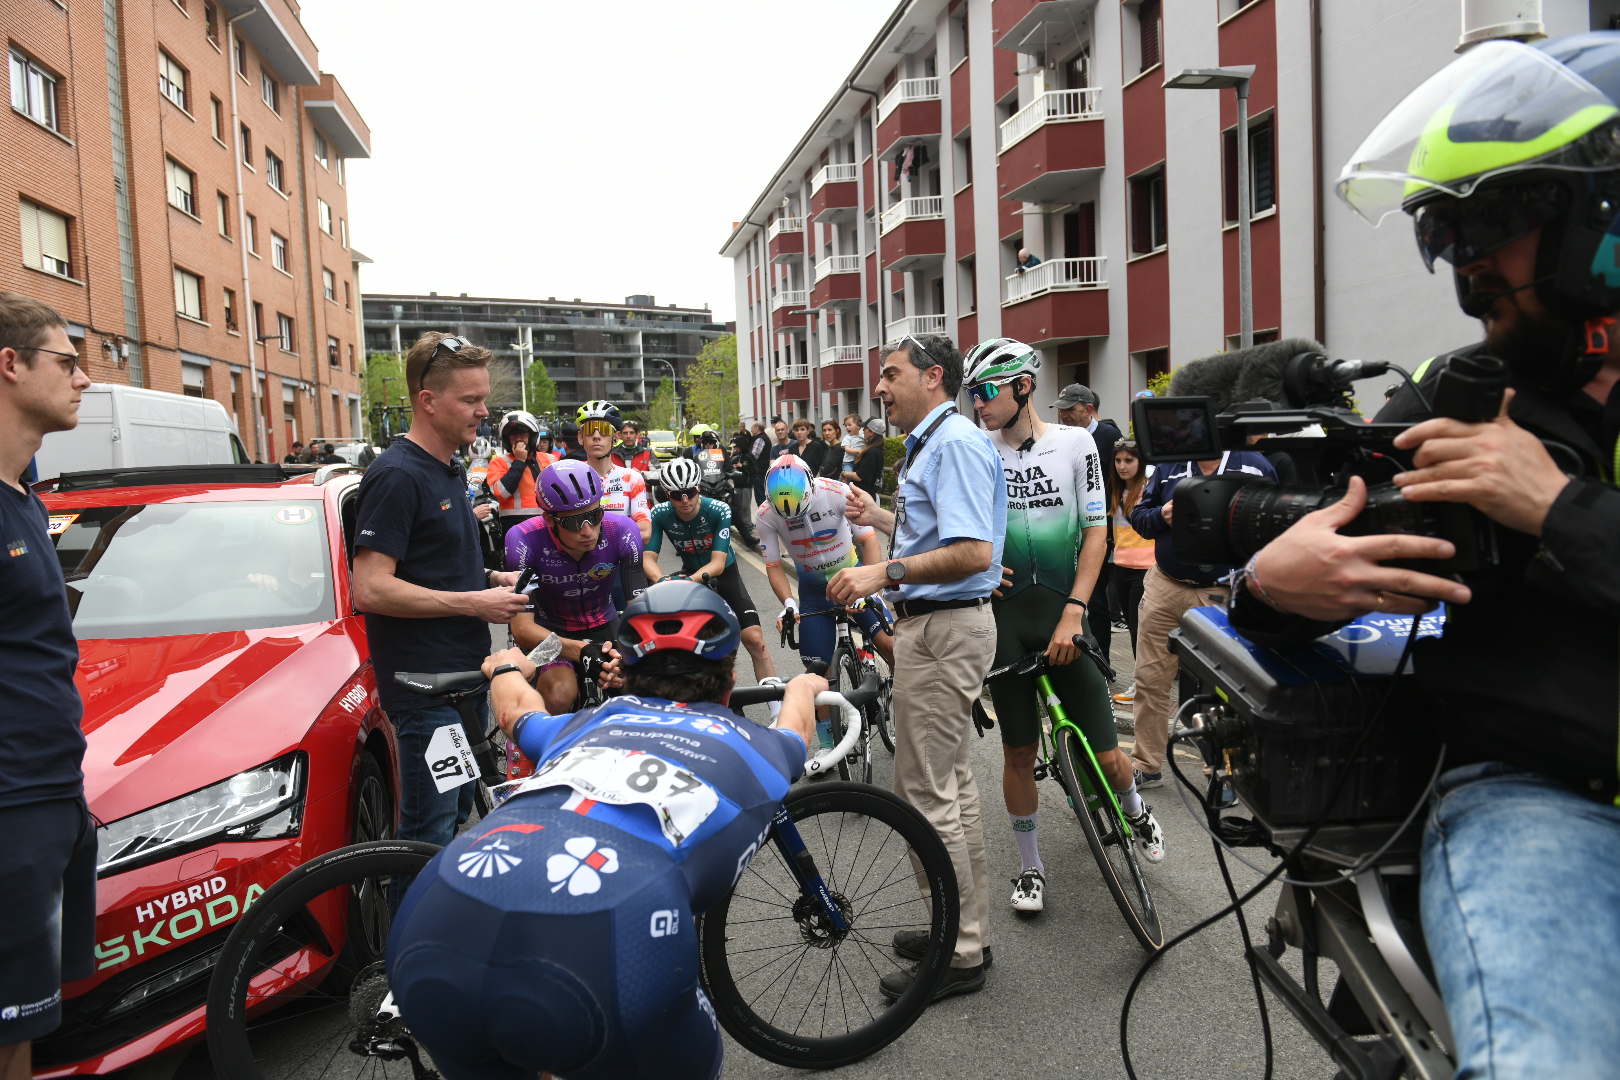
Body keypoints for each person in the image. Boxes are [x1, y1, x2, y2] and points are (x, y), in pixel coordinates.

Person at [1230, 36, 1620, 1078]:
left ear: (1603, 214)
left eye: (1489, 222)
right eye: (1440, 231)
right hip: (1545, 801)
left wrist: (1560, 509)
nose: (1464, 264)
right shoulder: (1462, 389)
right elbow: (1321, 528)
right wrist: (1274, 585)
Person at [386, 580, 828, 1080]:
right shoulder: (754, 746)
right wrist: (802, 686)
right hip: (606, 934)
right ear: (728, 684)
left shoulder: (586, 722)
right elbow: (797, 730)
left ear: (627, 675)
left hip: (439, 909)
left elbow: (514, 710)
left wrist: (507, 665)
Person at [827, 333, 1004, 1000]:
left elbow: (971, 552)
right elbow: (942, 533)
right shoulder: (942, 440)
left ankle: (956, 954)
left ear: (933, 378)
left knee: (929, 794)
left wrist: (882, 569)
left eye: (891, 374)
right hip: (942, 625)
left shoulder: (952, 442)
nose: (879, 388)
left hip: (942, 627)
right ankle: (963, 931)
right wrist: (878, 516)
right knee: (948, 789)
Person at [964, 338, 1162, 915]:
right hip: (1004, 619)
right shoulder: (977, 449)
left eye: (986, 392)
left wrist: (1075, 609)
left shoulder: (1076, 444)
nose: (978, 404)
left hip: (1062, 610)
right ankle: (1029, 868)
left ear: (1023, 386)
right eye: (972, 394)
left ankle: (1132, 807)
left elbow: (1097, 531)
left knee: (1104, 754)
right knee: (1018, 751)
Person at [350, 334, 530, 853]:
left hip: (461, 681)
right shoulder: (397, 475)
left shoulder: (448, 467)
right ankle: (407, 935)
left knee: (451, 816)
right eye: (470, 400)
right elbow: (371, 587)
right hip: (425, 691)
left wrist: (493, 582)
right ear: (427, 401)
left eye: (483, 397)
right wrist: (477, 603)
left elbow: (433, 568)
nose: (483, 410)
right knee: (427, 832)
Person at [0, 294, 95, 1076]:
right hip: (10, 800)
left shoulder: (26, 495)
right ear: (11, 366)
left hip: (52, 787)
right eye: (67, 362)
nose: (84, 379)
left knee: (28, 1029)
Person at [1127, 431, 1275, 795]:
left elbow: (1274, 529)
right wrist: (1161, 513)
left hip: (1221, 593)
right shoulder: (1169, 466)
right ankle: (1146, 764)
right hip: (1165, 585)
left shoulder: (1254, 467)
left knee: (1224, 689)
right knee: (1150, 679)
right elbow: (1140, 517)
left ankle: (1223, 770)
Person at [756, 455, 895, 747]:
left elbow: (870, 540)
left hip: (853, 577)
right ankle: (828, 744)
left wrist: (870, 588)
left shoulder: (837, 492)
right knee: (818, 669)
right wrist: (789, 603)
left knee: (890, 644)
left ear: (810, 488)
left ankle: (909, 712)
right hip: (813, 590)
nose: (792, 520)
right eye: (787, 518)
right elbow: (773, 565)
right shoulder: (766, 514)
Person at [506, 460, 647, 715]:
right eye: (573, 523)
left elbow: (640, 610)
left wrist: (624, 659)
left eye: (594, 516)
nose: (588, 531)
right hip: (549, 630)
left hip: (604, 623)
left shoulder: (623, 531)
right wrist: (582, 650)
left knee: (635, 689)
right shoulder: (524, 540)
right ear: (549, 519)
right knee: (560, 696)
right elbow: (521, 628)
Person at [643, 456, 777, 687]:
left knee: (755, 640)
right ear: (666, 493)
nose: (684, 500)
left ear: (698, 488)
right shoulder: (660, 514)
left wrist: (686, 582)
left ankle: (777, 711)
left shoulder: (719, 509)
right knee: (698, 644)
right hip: (691, 576)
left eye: (689, 492)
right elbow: (649, 558)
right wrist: (662, 580)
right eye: (676, 494)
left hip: (723, 574)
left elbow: (717, 563)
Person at [1050, 382, 1123, 668]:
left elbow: (1118, 482)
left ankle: (1099, 658)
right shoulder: (1062, 437)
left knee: (1098, 598)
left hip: (1099, 528)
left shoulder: (1109, 436)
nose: (1064, 415)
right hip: (1067, 527)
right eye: (1061, 410)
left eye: (1070, 410)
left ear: (1088, 409)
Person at [1107, 440, 1154, 704]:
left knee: (1139, 630)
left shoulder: (1149, 491)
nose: (1122, 466)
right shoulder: (1117, 491)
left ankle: (1142, 686)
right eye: (1118, 460)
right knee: (1134, 629)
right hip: (1121, 567)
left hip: (1146, 569)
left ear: (1141, 463)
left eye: (1129, 461)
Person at [577, 401, 651, 545]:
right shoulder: (569, 478)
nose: (596, 436)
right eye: (589, 429)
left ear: (615, 438)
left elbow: (645, 533)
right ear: (581, 438)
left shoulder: (632, 479)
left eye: (604, 429)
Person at [485, 410, 551, 514]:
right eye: (513, 437)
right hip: (515, 523)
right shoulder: (499, 462)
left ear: (532, 437)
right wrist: (519, 461)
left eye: (523, 435)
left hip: (547, 520)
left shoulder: (550, 459)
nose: (518, 440)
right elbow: (501, 493)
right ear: (508, 440)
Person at [844, 417, 887, 497]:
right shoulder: (878, 450)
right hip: (867, 495)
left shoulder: (872, 452)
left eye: (865, 428)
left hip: (864, 497)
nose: (863, 430)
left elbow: (859, 476)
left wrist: (844, 473)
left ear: (871, 432)